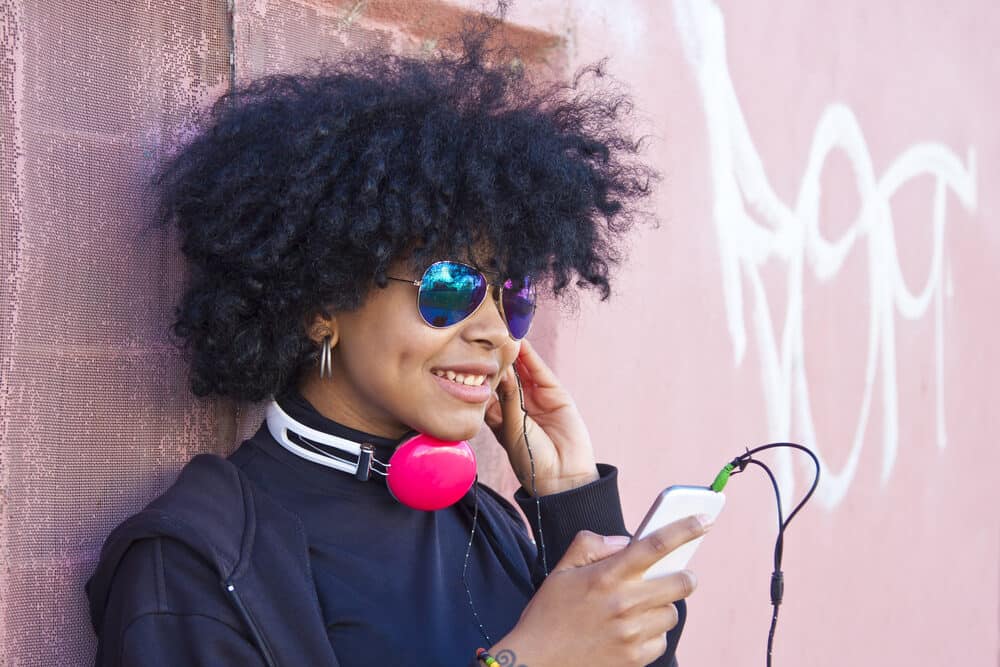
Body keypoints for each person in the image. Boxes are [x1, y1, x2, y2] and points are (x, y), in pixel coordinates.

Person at [85, 15, 708, 667]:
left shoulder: (489, 525)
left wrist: (570, 501)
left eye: (512, 294)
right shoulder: (194, 561)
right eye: (449, 286)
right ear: (323, 303)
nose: (494, 330)